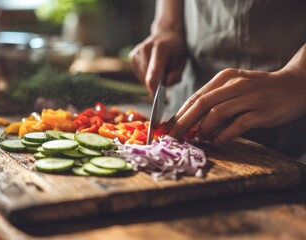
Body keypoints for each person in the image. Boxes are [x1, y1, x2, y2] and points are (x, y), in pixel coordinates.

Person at [129, 0, 306, 157]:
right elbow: (168, 23)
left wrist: (298, 76)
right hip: (190, 98)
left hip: (294, 128)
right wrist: (168, 26)